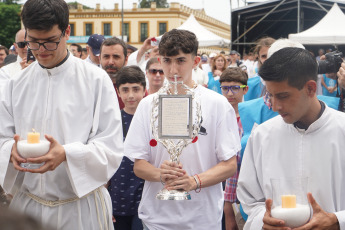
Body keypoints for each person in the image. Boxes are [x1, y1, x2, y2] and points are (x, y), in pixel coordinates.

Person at [0, 0, 123, 229]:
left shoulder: (96, 80)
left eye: (50, 42)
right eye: (33, 43)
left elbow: (111, 147)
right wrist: (10, 151)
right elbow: (2, 137)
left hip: (81, 208)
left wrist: (67, 154)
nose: (41, 51)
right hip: (29, 206)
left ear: (67, 31)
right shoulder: (16, 84)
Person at [124, 29, 241, 230]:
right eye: (167, 61)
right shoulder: (147, 105)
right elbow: (139, 164)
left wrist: (194, 181)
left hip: (203, 219)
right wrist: (161, 174)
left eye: (180, 60)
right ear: (159, 60)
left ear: (195, 62)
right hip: (156, 219)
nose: (173, 69)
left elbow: (230, 165)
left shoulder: (217, 104)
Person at [237, 47, 345, 230]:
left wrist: (336, 220)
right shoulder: (262, 136)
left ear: (310, 88)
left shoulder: (341, 130)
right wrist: (264, 221)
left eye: (283, 96)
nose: (275, 106)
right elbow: (250, 201)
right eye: (270, 95)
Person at [108, 66, 146, 230]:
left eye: (136, 89)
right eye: (125, 90)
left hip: (144, 195)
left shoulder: (151, 119)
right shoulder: (112, 121)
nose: (131, 95)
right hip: (118, 195)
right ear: (118, 92)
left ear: (144, 90)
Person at [219, 68, 248, 230]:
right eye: (225, 88)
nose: (230, 93)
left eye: (235, 88)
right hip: (221, 181)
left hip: (243, 181)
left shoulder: (249, 116)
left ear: (245, 89)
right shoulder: (218, 116)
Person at [99, 36, 129, 110]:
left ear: (126, 59)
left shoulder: (135, 86)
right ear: (100, 59)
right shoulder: (91, 85)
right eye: (106, 57)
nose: (111, 62)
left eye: (116, 57)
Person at [244, 37, 275, 101]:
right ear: (259, 57)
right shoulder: (250, 85)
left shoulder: (288, 83)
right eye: (264, 56)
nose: (268, 59)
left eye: (271, 55)